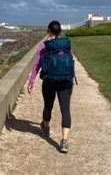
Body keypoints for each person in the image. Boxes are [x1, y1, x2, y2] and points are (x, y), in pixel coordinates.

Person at [27, 20, 75, 153]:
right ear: (60, 31)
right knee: (65, 110)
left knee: (48, 106)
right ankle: (64, 141)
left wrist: (31, 81)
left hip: (49, 81)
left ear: (49, 31)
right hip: (66, 81)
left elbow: (37, 65)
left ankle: (46, 127)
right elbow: (71, 60)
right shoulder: (66, 44)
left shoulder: (44, 46)